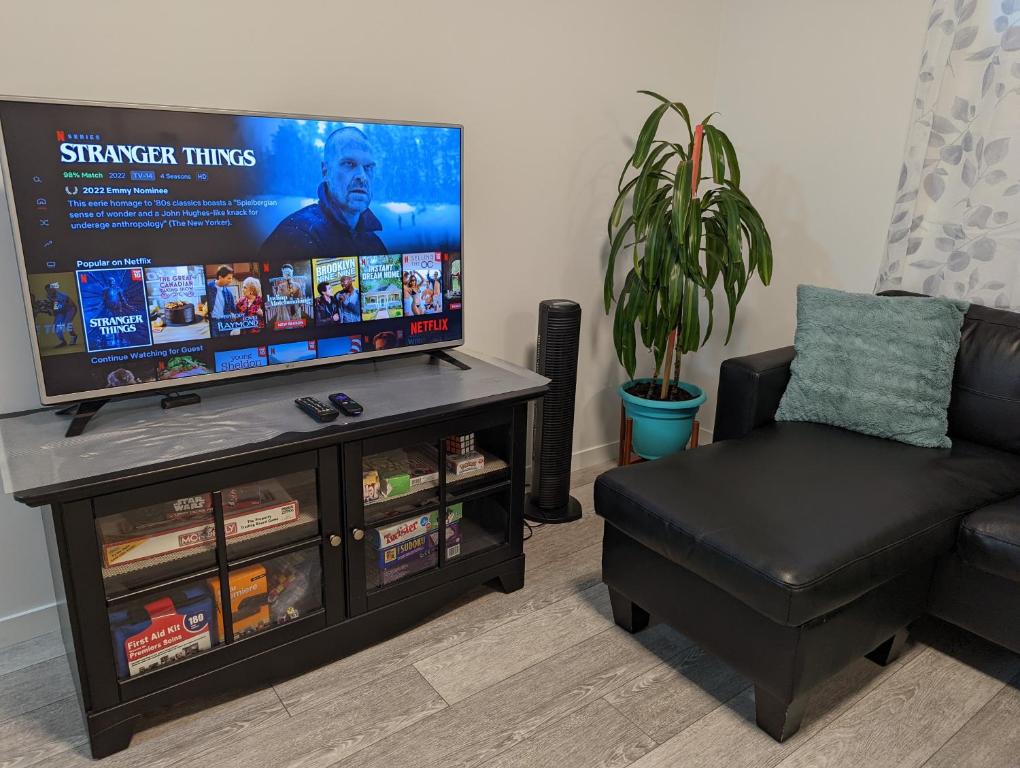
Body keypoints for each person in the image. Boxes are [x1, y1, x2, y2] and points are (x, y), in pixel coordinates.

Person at [260, 126, 386, 260]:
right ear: (325, 171)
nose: (362, 176)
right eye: (349, 164)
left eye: (368, 167)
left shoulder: (374, 244)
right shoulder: (296, 236)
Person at [42, 281, 79, 347]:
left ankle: (73, 336)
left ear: (53, 289)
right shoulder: (48, 296)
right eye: (47, 290)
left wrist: (73, 313)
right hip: (60, 311)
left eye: (50, 289)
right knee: (56, 326)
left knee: (66, 324)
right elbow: (53, 305)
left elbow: (72, 304)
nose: (49, 291)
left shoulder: (62, 295)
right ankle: (63, 341)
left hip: (69, 309)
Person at [206, 265, 237, 335]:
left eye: (231, 278)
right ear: (220, 277)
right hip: (213, 322)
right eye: (228, 278)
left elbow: (233, 310)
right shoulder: (208, 287)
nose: (231, 281)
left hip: (225, 323)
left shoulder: (228, 293)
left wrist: (233, 314)